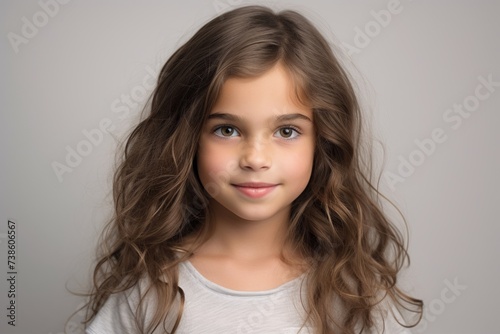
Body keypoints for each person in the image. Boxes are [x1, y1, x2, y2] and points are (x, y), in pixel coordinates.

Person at [84, 5, 423, 334]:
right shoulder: (150, 290)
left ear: (322, 142)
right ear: (187, 139)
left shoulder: (355, 294)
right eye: (227, 130)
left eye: (286, 131)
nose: (256, 159)